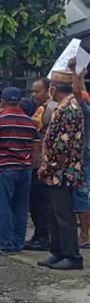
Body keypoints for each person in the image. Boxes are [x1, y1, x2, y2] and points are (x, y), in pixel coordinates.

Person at [0, 87, 40, 252]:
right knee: (20, 207)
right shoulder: (30, 122)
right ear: (20, 101)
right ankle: (18, 242)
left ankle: (7, 243)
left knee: (1, 207)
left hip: (4, 169)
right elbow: (36, 149)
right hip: (25, 170)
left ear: (2, 101)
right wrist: (32, 167)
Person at [37, 69, 85, 270]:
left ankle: (71, 255)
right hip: (55, 171)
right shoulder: (62, 106)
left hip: (61, 171)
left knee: (63, 215)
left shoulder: (69, 108)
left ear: (54, 88)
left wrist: (47, 166)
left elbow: (62, 147)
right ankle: (57, 252)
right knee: (54, 213)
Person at [24, 77, 58, 251]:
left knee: (40, 202)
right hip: (38, 160)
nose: (34, 95)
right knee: (37, 202)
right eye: (33, 91)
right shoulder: (41, 108)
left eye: (37, 91)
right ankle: (39, 235)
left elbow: (34, 129)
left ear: (48, 90)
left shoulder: (50, 109)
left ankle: (43, 237)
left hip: (42, 162)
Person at [70, 61, 90, 249]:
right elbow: (83, 95)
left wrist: (72, 72)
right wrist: (81, 76)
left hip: (85, 157)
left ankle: (84, 235)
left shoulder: (85, 112)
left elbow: (78, 95)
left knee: (82, 195)